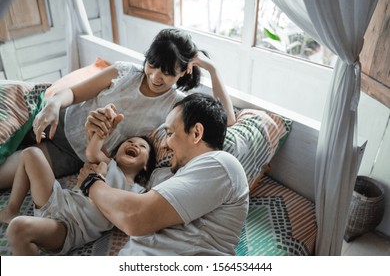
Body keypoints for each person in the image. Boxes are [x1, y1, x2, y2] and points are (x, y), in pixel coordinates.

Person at [0, 28, 235, 189]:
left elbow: (227, 121)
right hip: (58, 122)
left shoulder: (176, 105)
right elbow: (73, 93)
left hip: (74, 156)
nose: (155, 76)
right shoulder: (123, 72)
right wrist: (53, 104)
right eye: (152, 65)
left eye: (167, 71)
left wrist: (212, 69)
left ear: (184, 71)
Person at [76, 93, 249, 256]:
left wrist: (91, 183)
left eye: (170, 133)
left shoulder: (221, 164)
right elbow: (117, 176)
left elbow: (135, 217)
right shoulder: (170, 176)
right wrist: (97, 135)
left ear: (196, 133)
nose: (164, 144)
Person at [2, 113, 156, 255]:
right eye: (130, 142)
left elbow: (126, 214)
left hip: (69, 226)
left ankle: (34, 235)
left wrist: (99, 178)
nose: (135, 145)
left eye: (142, 147)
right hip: (57, 199)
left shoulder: (138, 192)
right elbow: (92, 151)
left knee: (18, 228)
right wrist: (103, 130)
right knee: (30, 153)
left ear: (146, 166)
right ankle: (11, 209)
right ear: (116, 153)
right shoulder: (109, 163)